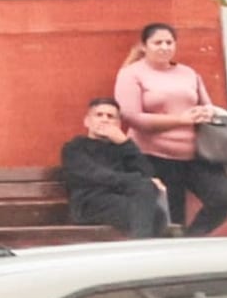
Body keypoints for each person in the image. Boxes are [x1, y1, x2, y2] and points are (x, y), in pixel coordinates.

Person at [112, 21, 227, 236]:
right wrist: (180, 120)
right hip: (154, 156)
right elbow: (132, 118)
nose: (164, 47)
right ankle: (175, 252)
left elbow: (206, 104)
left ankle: (191, 239)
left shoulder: (188, 73)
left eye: (169, 42)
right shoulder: (131, 74)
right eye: (157, 42)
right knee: (171, 217)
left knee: (224, 198)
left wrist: (205, 113)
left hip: (197, 154)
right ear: (144, 46)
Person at [58, 99, 171, 239]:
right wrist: (136, 181)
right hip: (90, 203)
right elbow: (95, 175)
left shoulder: (121, 148)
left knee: (157, 213)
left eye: (110, 117)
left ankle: (139, 246)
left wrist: (125, 142)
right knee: (147, 211)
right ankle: (140, 249)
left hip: (122, 200)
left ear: (118, 124)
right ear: (87, 121)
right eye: (99, 115)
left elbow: (147, 173)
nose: (104, 120)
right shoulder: (74, 148)